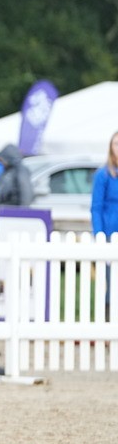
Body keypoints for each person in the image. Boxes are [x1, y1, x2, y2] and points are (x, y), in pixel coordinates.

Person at [92, 131, 118, 315]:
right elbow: (96, 207)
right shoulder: (103, 175)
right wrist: (99, 234)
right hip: (110, 233)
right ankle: (108, 319)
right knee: (111, 280)